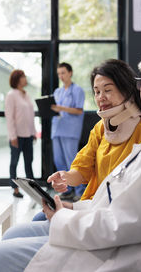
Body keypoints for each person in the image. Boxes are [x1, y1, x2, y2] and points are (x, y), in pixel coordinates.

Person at [0, 46, 141, 272]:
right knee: (13, 236)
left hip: (112, 249)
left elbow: (123, 222)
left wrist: (65, 217)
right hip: (98, 226)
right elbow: (117, 200)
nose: (101, 98)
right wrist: (72, 208)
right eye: (97, 91)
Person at [32, 58, 141, 221]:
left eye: (107, 90)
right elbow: (82, 170)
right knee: (40, 216)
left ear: (126, 90)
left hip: (112, 214)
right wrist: (65, 177)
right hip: (91, 205)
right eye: (96, 92)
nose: (101, 97)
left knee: (39, 219)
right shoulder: (100, 128)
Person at [50, 62, 86, 201]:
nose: (61, 76)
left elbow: (78, 110)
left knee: (72, 162)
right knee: (59, 162)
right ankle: (67, 190)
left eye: (63, 73)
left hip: (70, 130)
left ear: (70, 73)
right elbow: (55, 110)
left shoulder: (77, 90)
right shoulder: (57, 92)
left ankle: (79, 191)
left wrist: (61, 108)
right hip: (57, 129)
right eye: (59, 74)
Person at [5, 69, 36, 198]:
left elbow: (30, 115)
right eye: (23, 76)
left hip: (28, 135)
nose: (25, 78)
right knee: (14, 162)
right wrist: (13, 136)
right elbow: (9, 117)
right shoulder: (11, 95)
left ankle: (34, 189)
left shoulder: (26, 94)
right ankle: (15, 189)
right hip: (16, 136)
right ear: (17, 79)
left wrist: (33, 132)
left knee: (29, 162)